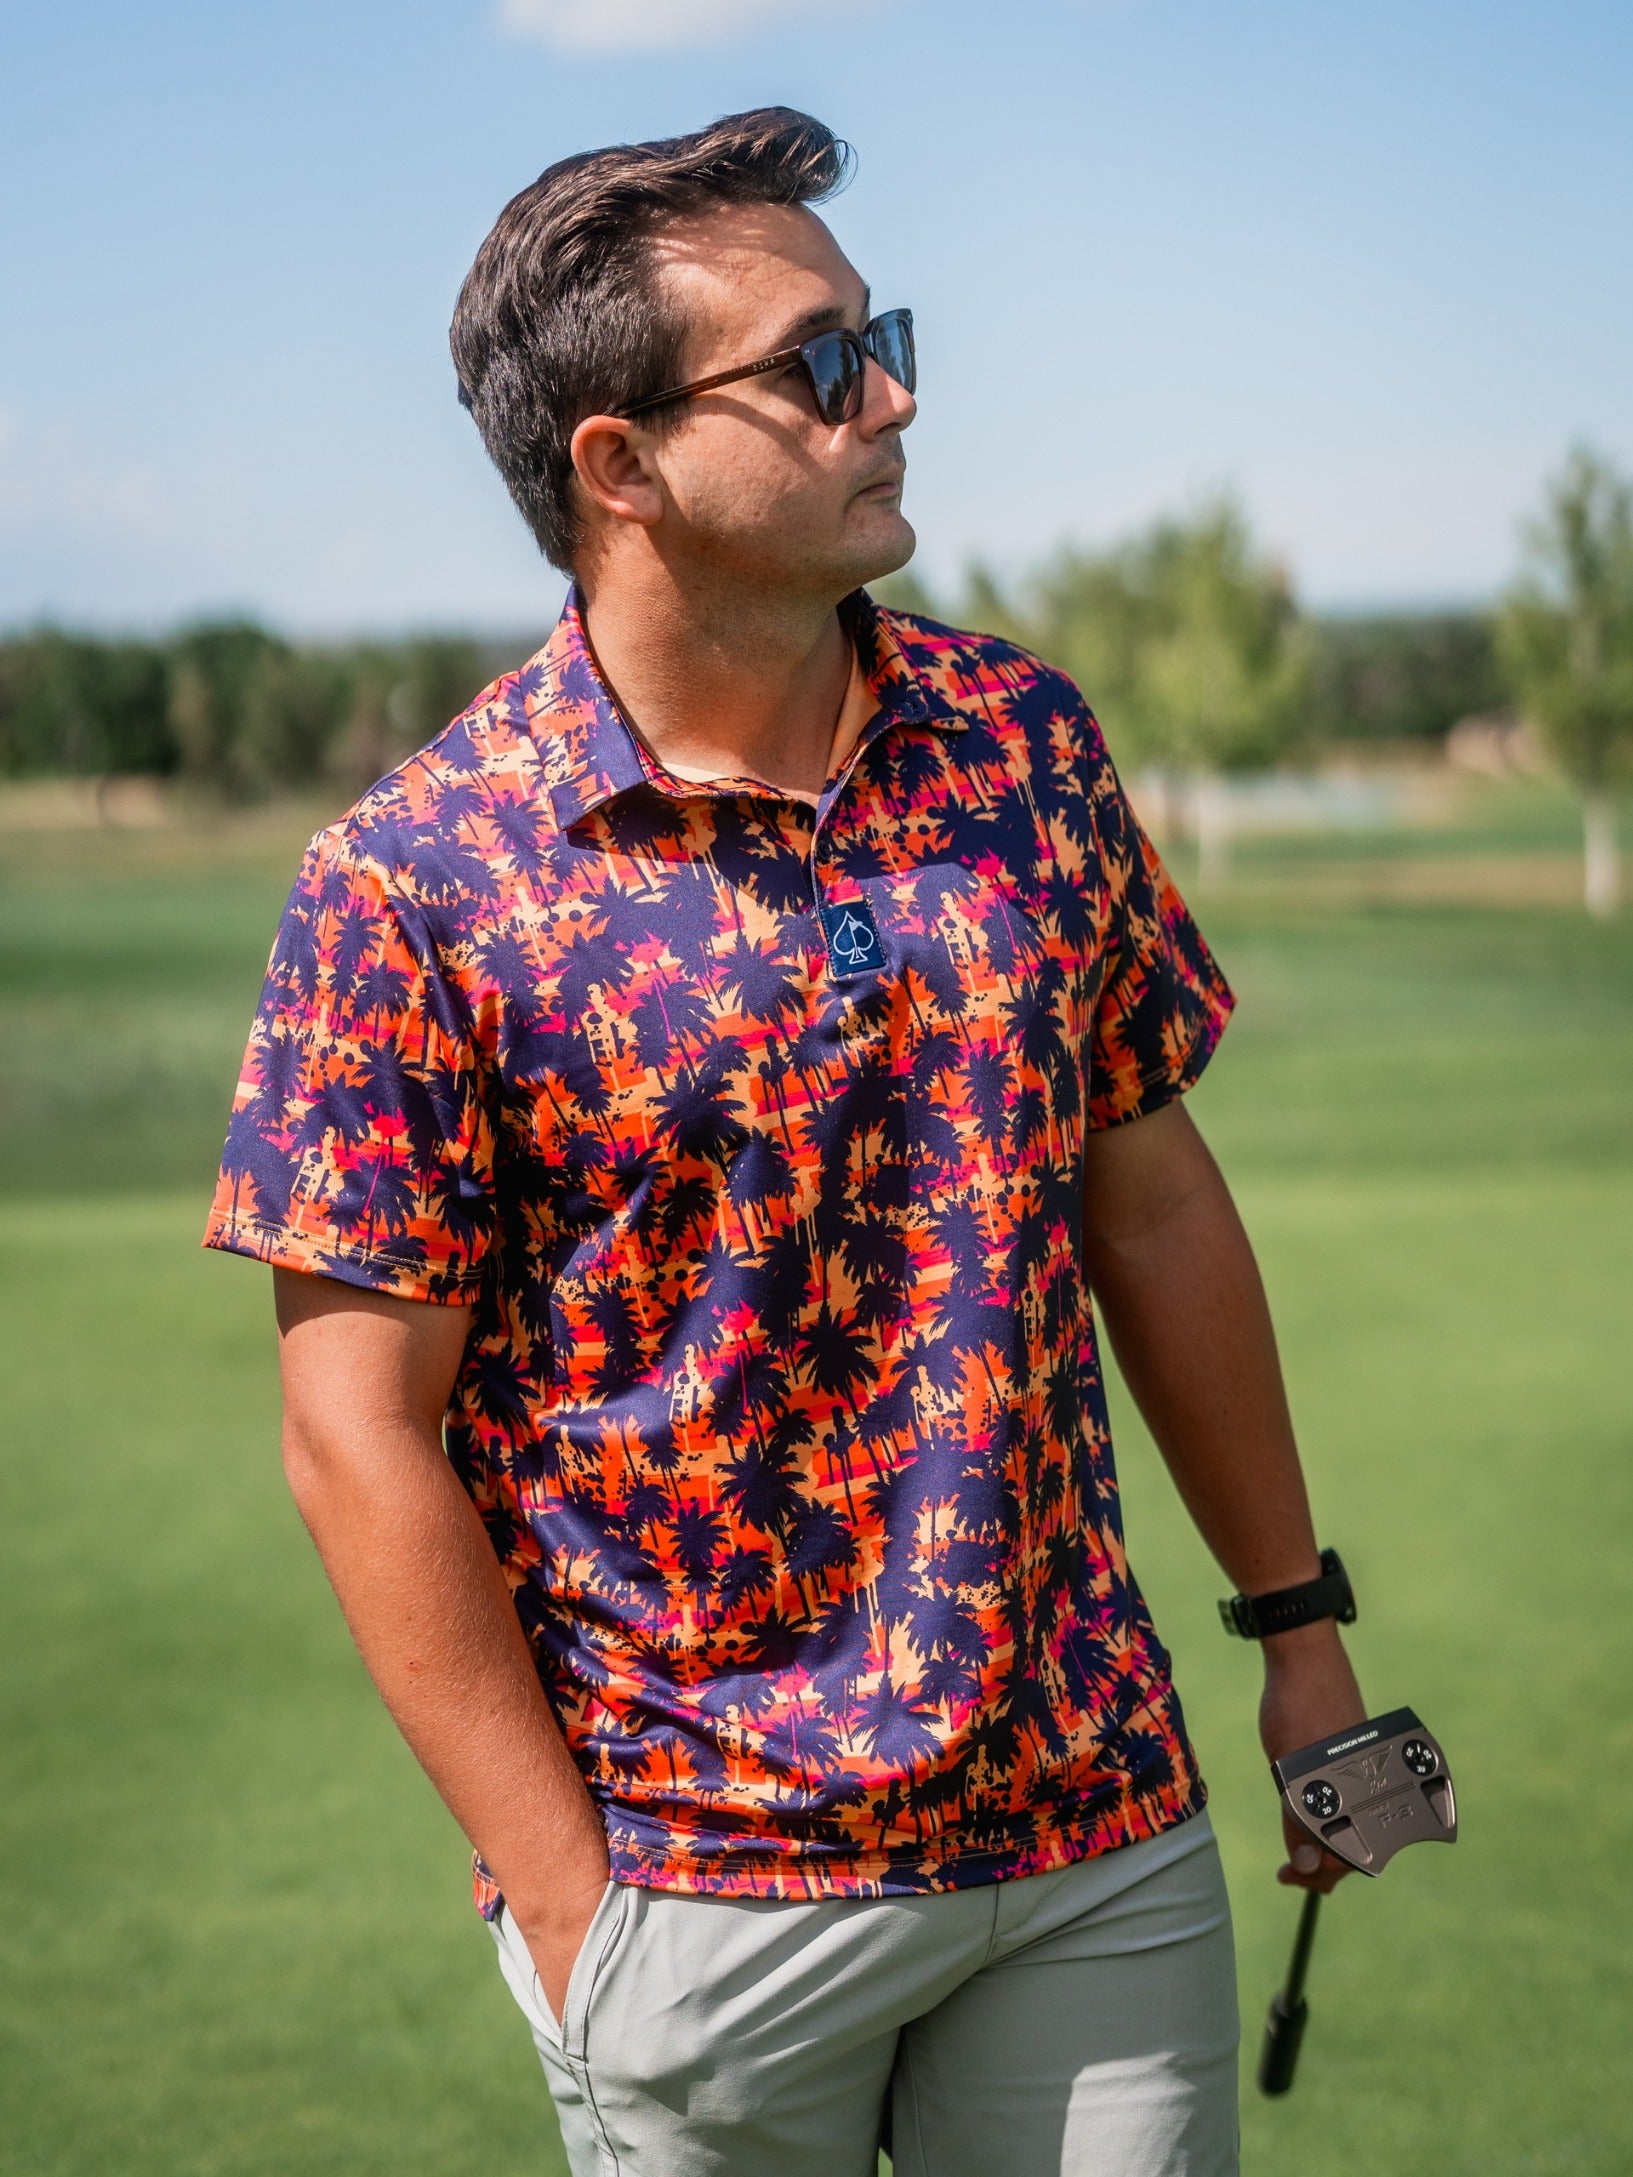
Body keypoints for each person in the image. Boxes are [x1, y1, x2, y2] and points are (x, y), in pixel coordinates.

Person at [204, 106, 1366, 2177]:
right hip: (695, 1892)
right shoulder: (413, 878)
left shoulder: (1022, 743)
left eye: (880, 340)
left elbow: (1155, 1204)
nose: (890, 398)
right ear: (619, 464)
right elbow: (352, 1430)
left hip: (1092, 1828)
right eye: (821, 365)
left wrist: (1301, 1635)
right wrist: (577, 1917)